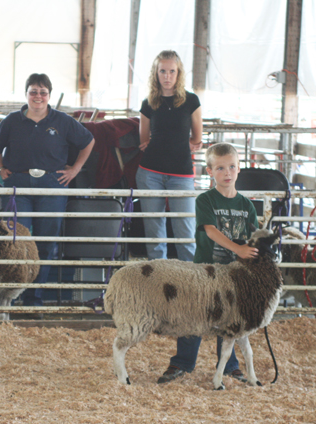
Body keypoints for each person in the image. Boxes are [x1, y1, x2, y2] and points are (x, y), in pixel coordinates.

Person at [0, 73, 95, 315]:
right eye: (33, 92)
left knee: (46, 243)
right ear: (26, 94)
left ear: (49, 95)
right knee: (15, 241)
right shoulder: (12, 120)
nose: (38, 96)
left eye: (43, 92)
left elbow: (88, 141)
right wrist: (0, 168)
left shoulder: (62, 121)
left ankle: (33, 300)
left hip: (51, 184)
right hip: (18, 184)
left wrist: (75, 169)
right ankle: (8, 299)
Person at [158, 142, 259, 384]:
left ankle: (230, 366)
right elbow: (210, 230)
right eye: (220, 168)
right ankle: (182, 363)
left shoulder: (247, 205)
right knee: (194, 315)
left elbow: (253, 238)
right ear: (210, 171)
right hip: (206, 271)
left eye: (232, 167)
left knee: (230, 320)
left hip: (234, 275)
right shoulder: (206, 199)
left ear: (239, 169)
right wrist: (238, 249)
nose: (227, 173)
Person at [137, 50, 203, 262]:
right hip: (150, 173)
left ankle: (190, 278)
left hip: (181, 174)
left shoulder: (191, 100)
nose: (167, 76)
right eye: (162, 71)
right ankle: (159, 275)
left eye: (172, 71)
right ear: (156, 73)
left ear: (179, 73)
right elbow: (144, 140)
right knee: (154, 230)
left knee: (186, 230)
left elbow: (197, 138)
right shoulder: (148, 102)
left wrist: (180, 144)